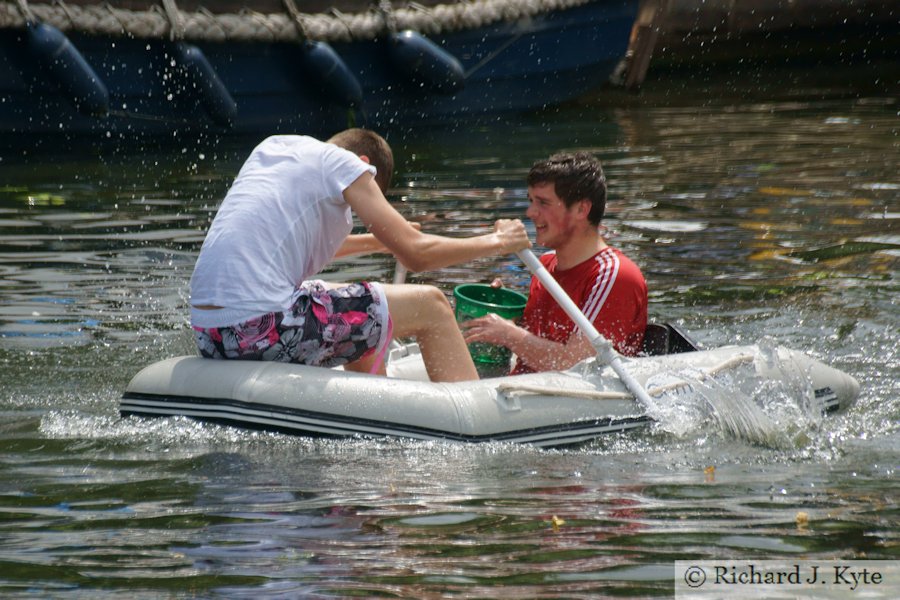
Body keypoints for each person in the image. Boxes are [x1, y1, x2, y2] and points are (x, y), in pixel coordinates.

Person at [190, 129, 530, 382]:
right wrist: (499, 240)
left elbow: (298, 242)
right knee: (431, 304)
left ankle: (375, 410)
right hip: (262, 328)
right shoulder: (346, 166)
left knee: (358, 303)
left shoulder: (275, 148)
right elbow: (417, 255)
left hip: (212, 333)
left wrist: (379, 241)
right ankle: (469, 418)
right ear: (363, 164)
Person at [461, 152, 647, 374]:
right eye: (531, 201)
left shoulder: (614, 275)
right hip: (525, 393)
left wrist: (509, 334)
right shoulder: (546, 264)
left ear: (581, 209)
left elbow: (579, 366)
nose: (530, 212)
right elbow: (545, 337)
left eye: (543, 203)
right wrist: (504, 314)